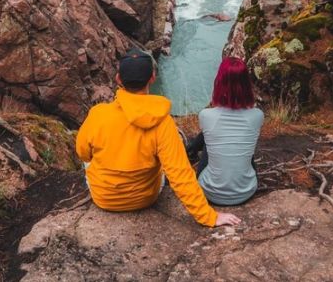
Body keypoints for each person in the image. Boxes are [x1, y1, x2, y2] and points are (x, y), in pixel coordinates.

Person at [76, 48, 240, 228]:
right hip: (145, 197)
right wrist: (209, 216)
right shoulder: (162, 121)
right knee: (164, 161)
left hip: (104, 198)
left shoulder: (98, 114)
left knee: (88, 159)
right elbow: (180, 174)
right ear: (152, 77)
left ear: (118, 79)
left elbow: (83, 153)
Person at [187, 56, 264, 206]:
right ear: (246, 85)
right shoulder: (257, 116)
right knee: (244, 146)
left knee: (210, 141)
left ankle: (190, 151)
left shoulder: (206, 115)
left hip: (209, 192)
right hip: (246, 191)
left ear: (219, 83)